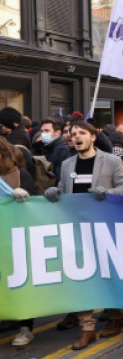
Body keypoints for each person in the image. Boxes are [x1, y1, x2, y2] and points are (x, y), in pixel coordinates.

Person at [43, 121, 123, 350]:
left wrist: (108, 192)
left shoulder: (112, 161)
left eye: (82, 133)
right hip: (77, 228)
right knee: (80, 278)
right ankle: (87, 327)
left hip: (105, 228)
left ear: (93, 137)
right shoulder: (67, 164)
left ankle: (115, 316)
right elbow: (64, 189)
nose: (77, 137)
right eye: (73, 134)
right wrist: (55, 192)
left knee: (106, 277)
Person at [3, 139, 37, 349]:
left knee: (21, 283)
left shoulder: (19, 174)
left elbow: (34, 205)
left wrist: (23, 197)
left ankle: (26, 327)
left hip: (16, 237)